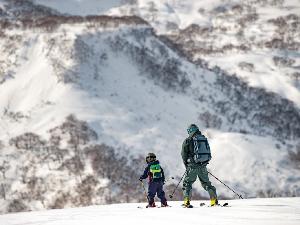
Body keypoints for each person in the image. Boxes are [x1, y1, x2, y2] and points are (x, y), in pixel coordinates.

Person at [181, 124, 218, 207]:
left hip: (192, 166)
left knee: (187, 183)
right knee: (206, 183)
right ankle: (214, 200)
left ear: (190, 131)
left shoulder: (188, 140)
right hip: (203, 165)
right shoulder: (203, 139)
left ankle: (186, 201)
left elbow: (183, 154)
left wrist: (186, 164)